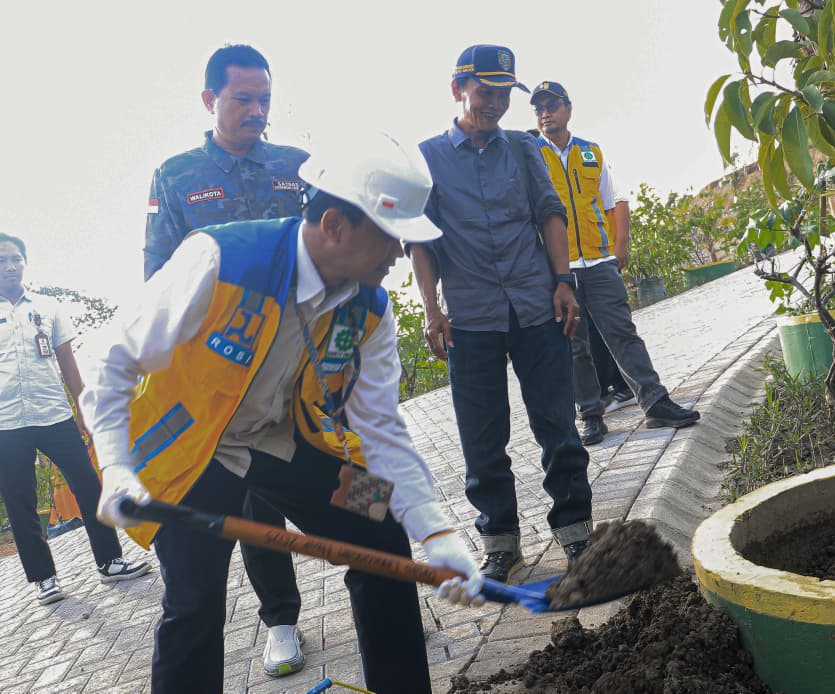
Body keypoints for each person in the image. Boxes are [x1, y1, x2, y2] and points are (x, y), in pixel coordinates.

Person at [80, 132, 482, 694]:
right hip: (192, 453)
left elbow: (382, 428)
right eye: (393, 237)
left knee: (383, 521)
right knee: (194, 604)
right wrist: (118, 467)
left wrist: (435, 531)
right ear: (335, 226)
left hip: (286, 443)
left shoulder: (370, 307)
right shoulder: (219, 260)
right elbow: (112, 362)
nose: (400, 254)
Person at [143, 44, 311, 676]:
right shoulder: (177, 175)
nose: (257, 110)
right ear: (211, 99)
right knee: (246, 505)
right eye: (243, 98)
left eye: (265, 98)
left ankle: (356, 601)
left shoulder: (296, 166)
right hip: (222, 374)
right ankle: (278, 621)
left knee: (354, 495)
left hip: (298, 364)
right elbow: (159, 274)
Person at [409, 45, 593, 584]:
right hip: (469, 318)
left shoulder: (522, 147)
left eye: (502, 94)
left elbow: (550, 215)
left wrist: (562, 282)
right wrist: (431, 309)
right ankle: (501, 541)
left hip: (537, 305)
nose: (494, 104)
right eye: (484, 92)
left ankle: (577, 531)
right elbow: (421, 241)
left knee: (557, 424)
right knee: (482, 439)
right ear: (457, 90)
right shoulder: (427, 157)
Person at [531, 81, 699, 444]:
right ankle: (590, 415)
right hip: (560, 270)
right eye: (539, 108)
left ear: (568, 108)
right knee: (576, 345)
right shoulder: (531, 156)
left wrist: (618, 248)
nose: (545, 113)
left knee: (624, 334)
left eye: (552, 105)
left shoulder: (591, 153)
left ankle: (655, 403)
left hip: (599, 262)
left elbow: (611, 202)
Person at [0, 233, 151, 605]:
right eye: (3, 260)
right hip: (6, 423)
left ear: (25, 262)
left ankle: (110, 561)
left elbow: (68, 364)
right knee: (20, 501)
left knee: (88, 485)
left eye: (16, 258)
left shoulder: (47, 308)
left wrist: (84, 412)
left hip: (55, 414)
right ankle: (44, 579)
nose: (10, 265)